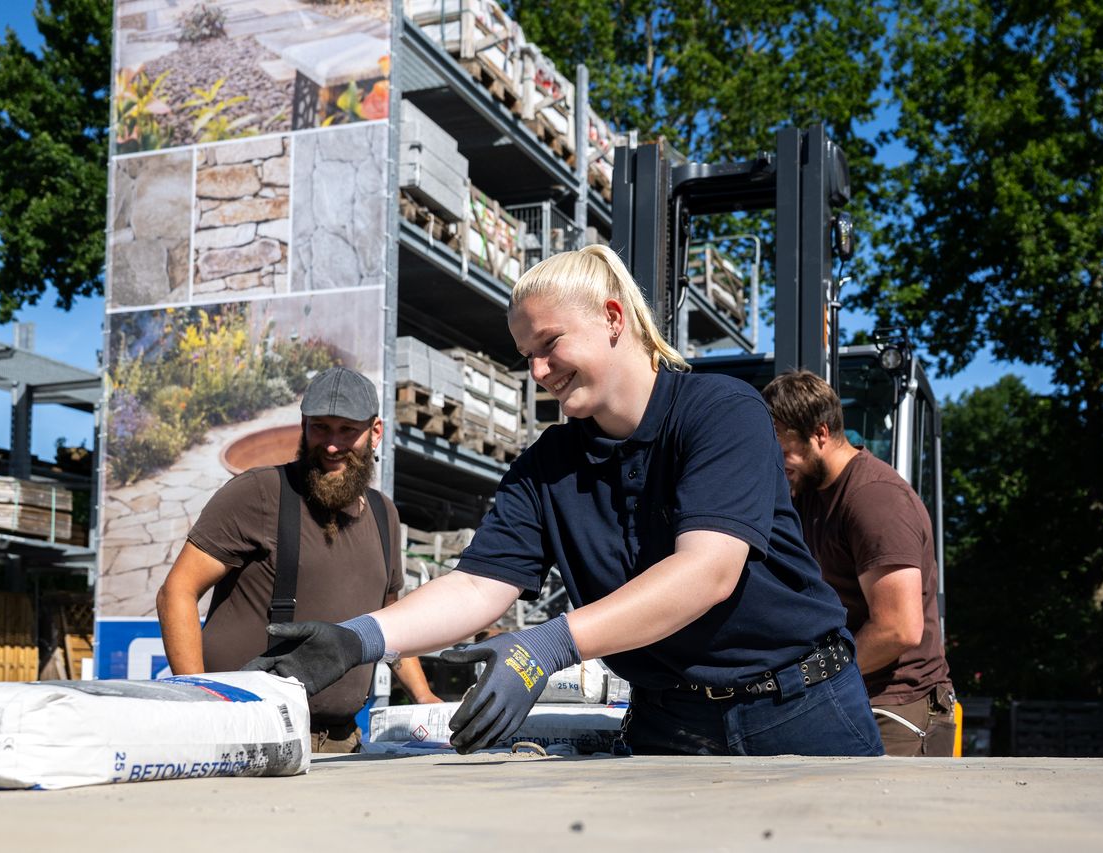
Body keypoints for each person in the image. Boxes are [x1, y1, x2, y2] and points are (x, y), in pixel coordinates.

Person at [243, 246, 882, 757]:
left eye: (549, 344)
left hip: (799, 709)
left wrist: (548, 645)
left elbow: (707, 572)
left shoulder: (722, 412)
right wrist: (358, 639)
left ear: (612, 317)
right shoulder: (548, 464)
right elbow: (477, 587)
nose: (539, 372)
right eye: (527, 356)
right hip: (668, 723)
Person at [156, 366, 440, 754]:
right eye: (320, 428)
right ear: (303, 426)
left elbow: (391, 620)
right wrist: (201, 703)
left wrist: (424, 697)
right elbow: (177, 591)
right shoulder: (259, 493)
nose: (332, 445)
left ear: (375, 432)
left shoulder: (383, 513)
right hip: (251, 734)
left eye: (347, 430)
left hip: (342, 741)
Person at [761, 370, 956, 757]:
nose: (781, 466)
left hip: (900, 704)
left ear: (820, 434)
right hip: (855, 692)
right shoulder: (810, 493)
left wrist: (811, 680)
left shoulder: (875, 499)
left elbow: (897, 628)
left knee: (882, 818)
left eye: (784, 453)